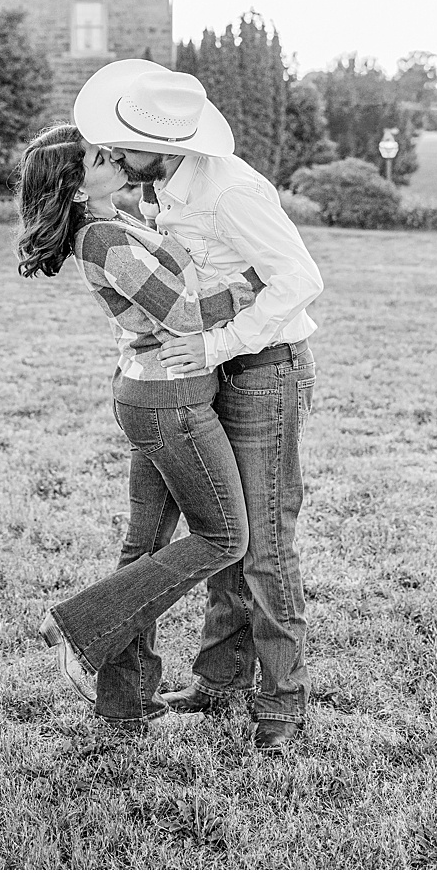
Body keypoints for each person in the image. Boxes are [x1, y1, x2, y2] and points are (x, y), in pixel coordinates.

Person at [74, 59, 323, 753]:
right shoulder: (155, 187)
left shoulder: (233, 189)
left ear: (169, 144)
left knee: (264, 544)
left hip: (263, 366)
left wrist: (219, 344)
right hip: (202, 369)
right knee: (227, 532)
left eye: (123, 144)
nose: (114, 154)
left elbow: (300, 280)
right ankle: (220, 681)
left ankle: (283, 703)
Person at [17, 123, 266, 735]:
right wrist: (254, 285)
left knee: (146, 547)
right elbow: (179, 314)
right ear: (78, 186)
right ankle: (84, 623)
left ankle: (123, 702)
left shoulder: (118, 221)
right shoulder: (100, 237)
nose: (116, 157)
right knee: (225, 538)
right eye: (101, 157)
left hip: (154, 393)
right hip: (168, 400)